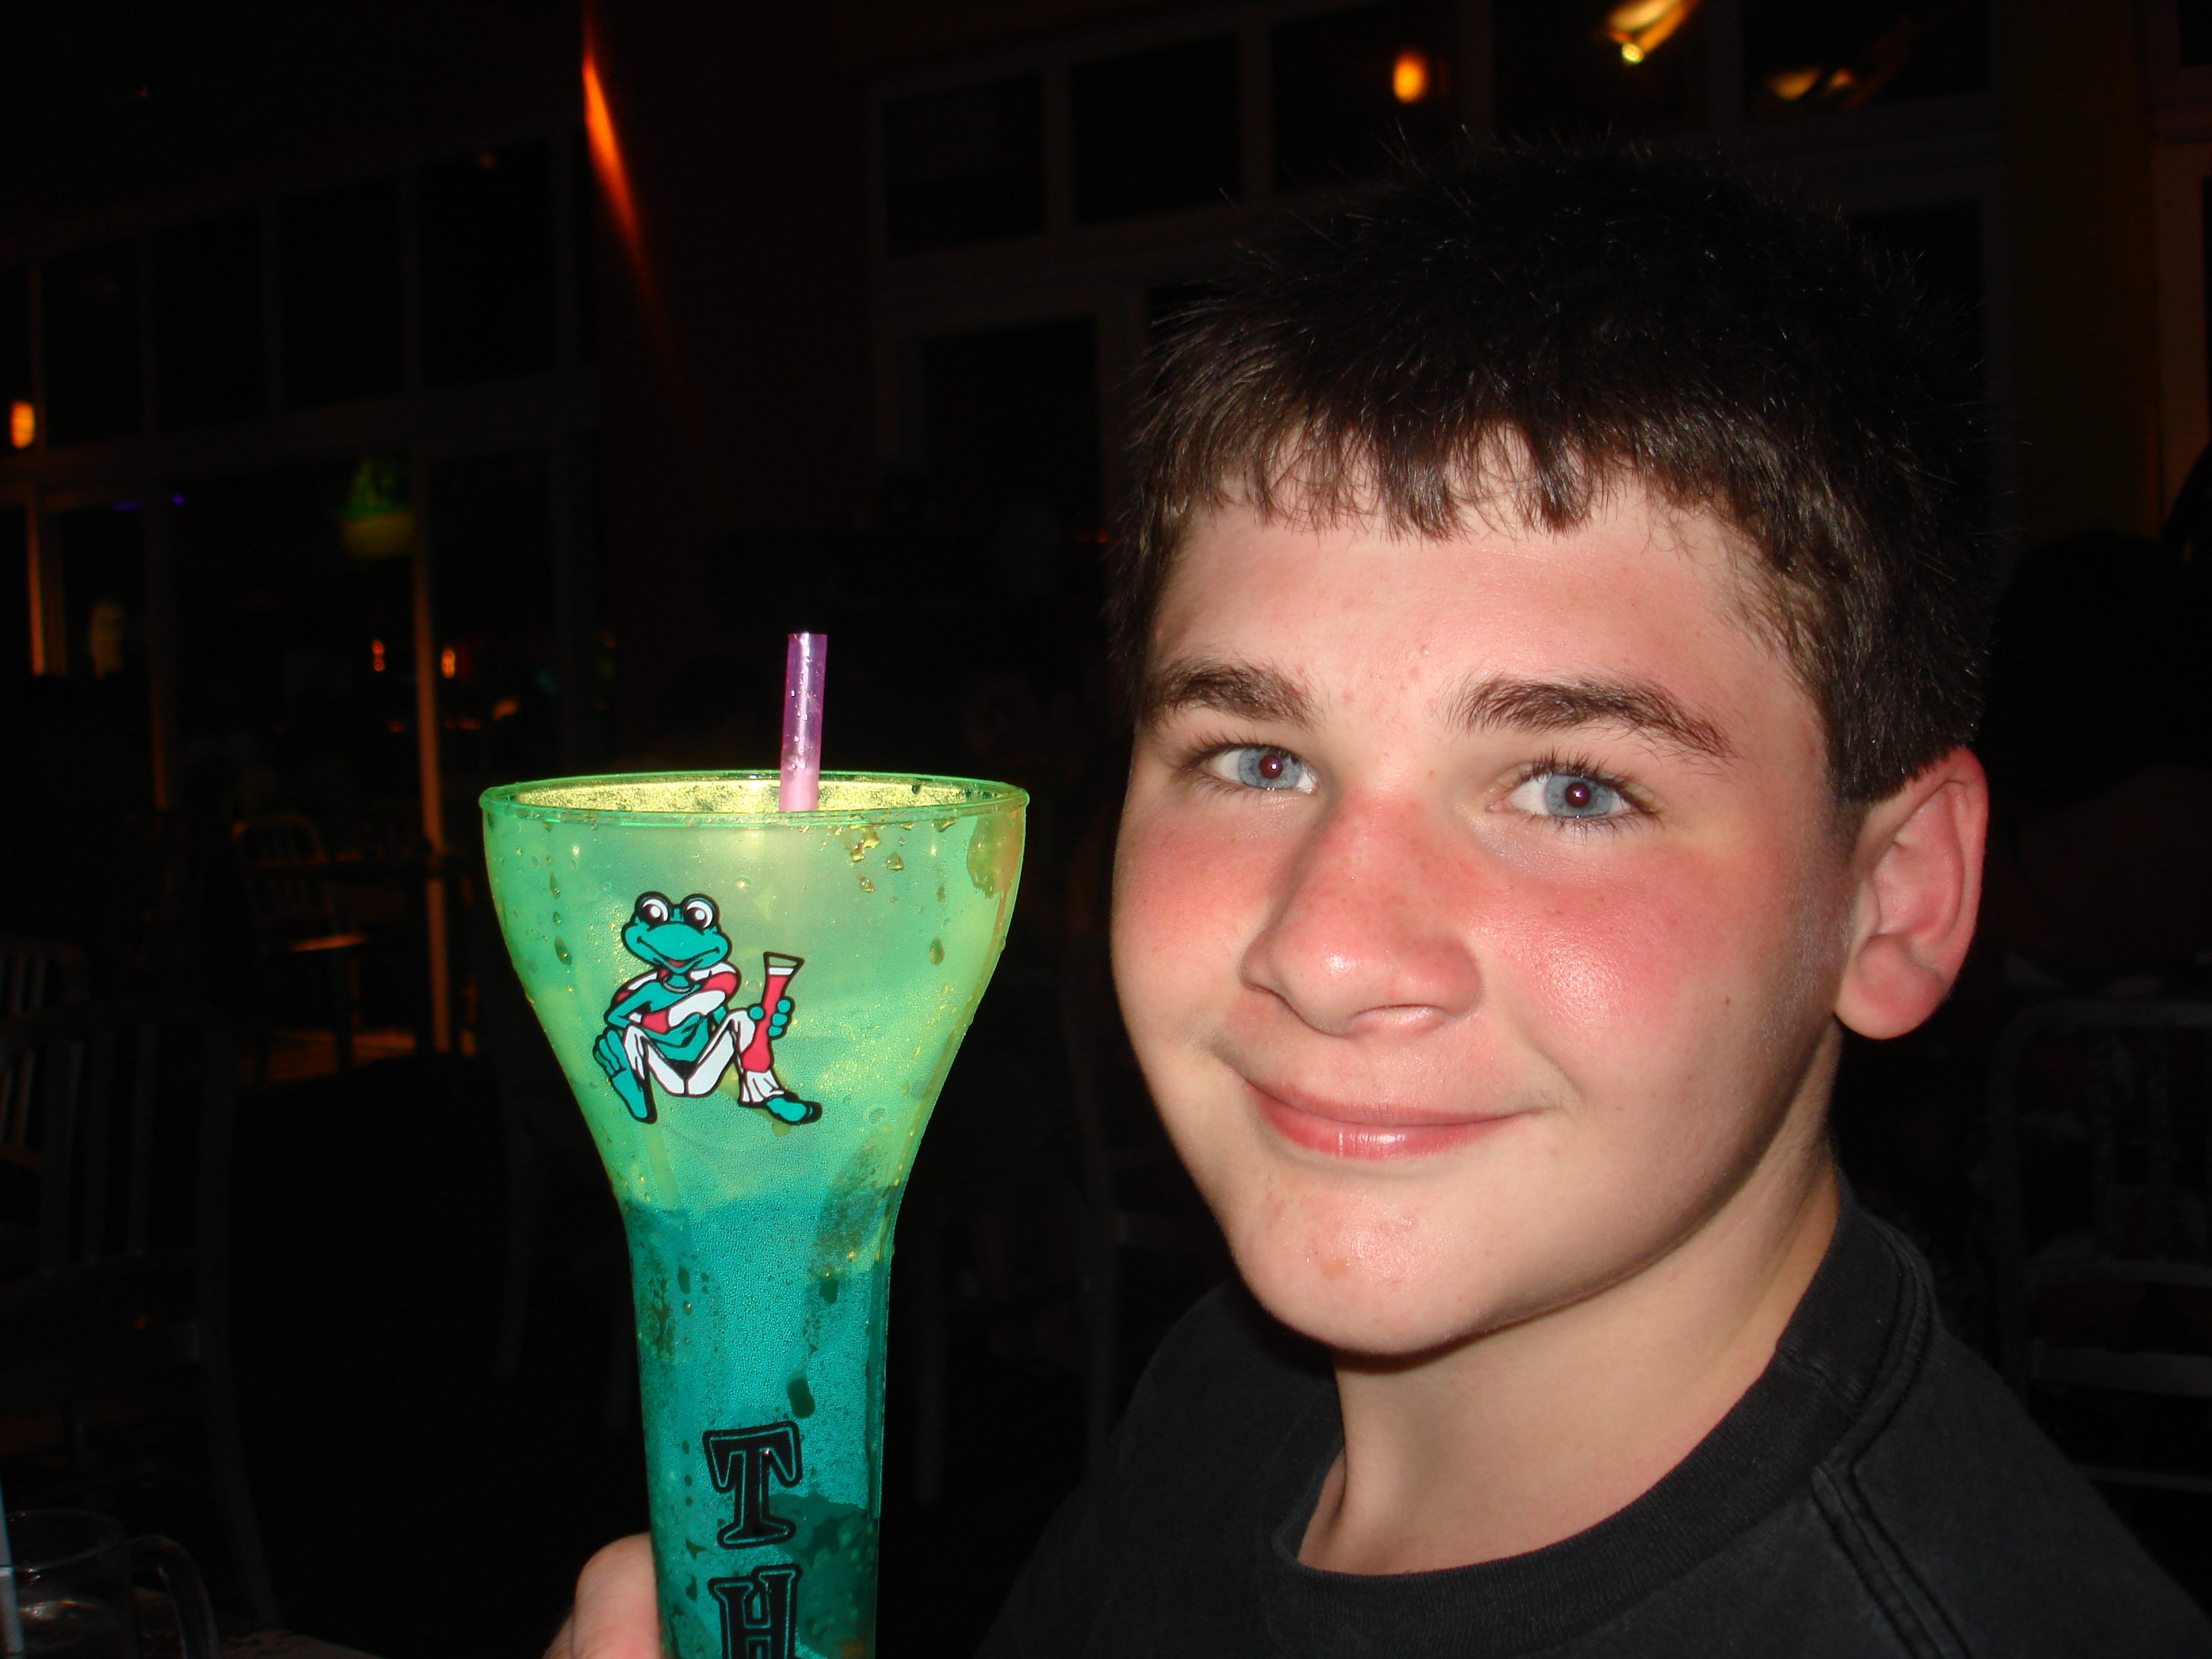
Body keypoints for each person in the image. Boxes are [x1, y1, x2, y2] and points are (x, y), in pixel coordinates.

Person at [544, 146, 2211, 1656]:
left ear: (1892, 900)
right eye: (1257, 756)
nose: (1330, 953)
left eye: (1572, 786)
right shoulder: (1233, 1390)